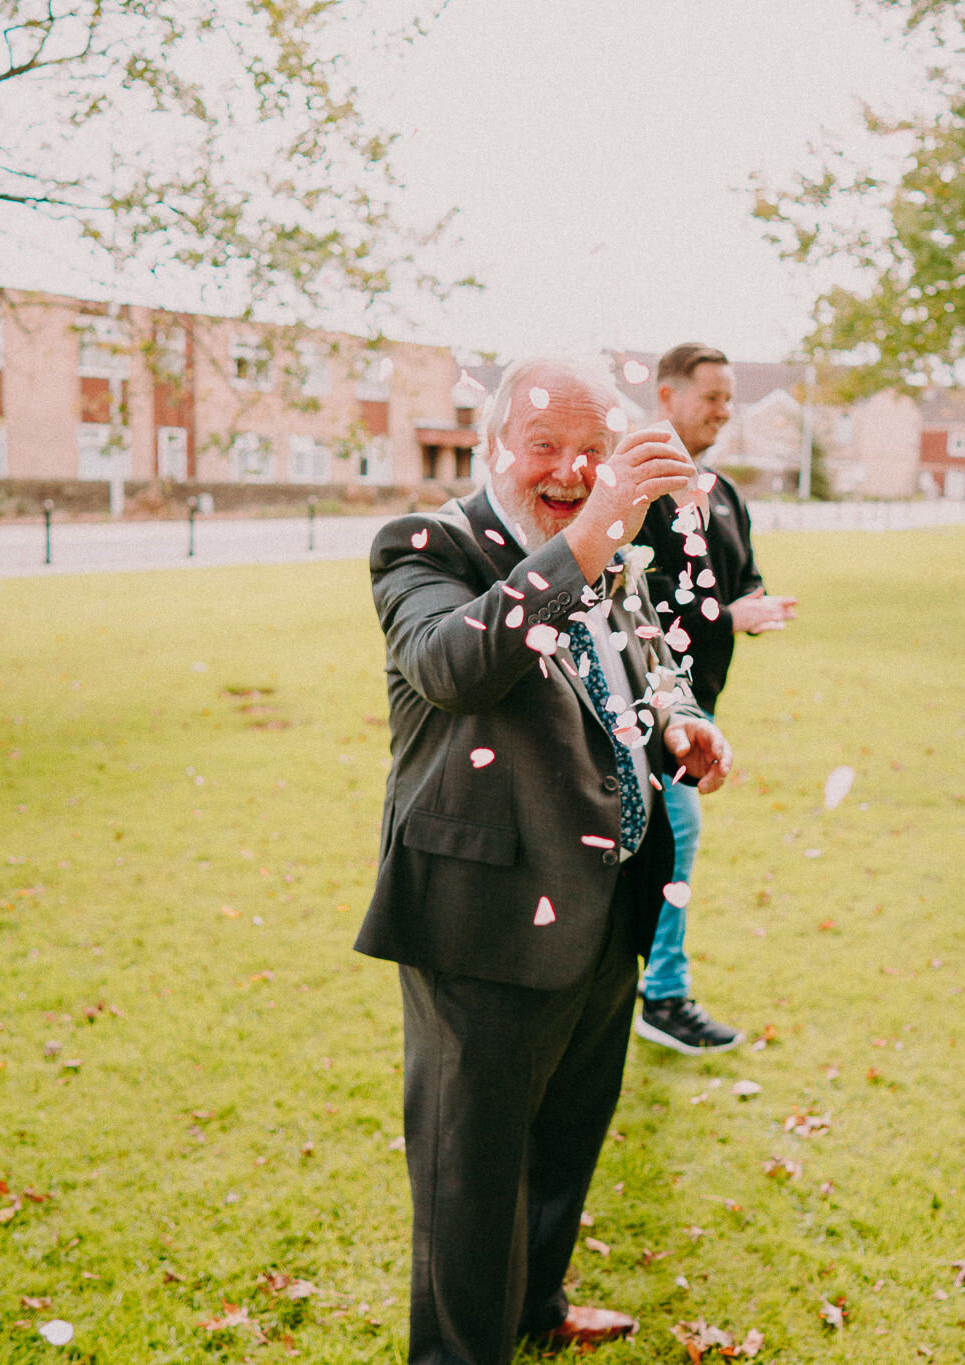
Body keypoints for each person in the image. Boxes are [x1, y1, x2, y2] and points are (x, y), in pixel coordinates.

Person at [356, 356, 734, 1365]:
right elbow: (454, 668)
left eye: (593, 451)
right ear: (491, 450)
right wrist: (594, 527)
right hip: (480, 920)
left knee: (565, 1137)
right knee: (467, 1177)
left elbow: (646, 661)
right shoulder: (424, 545)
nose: (571, 470)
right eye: (543, 447)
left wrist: (682, 722)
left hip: (606, 905)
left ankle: (537, 1307)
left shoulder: (602, 556)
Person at [628, 343, 797, 1054]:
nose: (725, 412)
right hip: (645, 704)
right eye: (712, 398)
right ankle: (660, 995)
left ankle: (628, 985)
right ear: (667, 398)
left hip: (704, 705)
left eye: (731, 399)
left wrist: (755, 606)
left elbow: (742, 582)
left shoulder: (724, 495)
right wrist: (727, 616)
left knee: (659, 839)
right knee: (678, 832)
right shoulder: (637, 491)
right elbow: (635, 602)